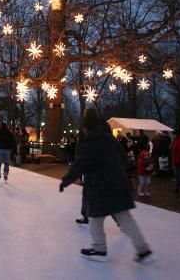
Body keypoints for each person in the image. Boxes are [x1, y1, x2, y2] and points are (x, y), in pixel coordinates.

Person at [60, 108, 152, 263]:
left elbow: (79, 166)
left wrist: (65, 181)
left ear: (86, 128)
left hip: (99, 187)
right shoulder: (111, 140)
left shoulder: (88, 144)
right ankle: (142, 248)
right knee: (125, 218)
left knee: (95, 218)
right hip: (119, 183)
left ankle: (99, 247)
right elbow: (123, 158)